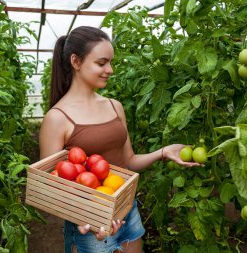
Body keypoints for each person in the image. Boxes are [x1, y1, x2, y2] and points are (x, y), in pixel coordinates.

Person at [39, 26, 202, 253]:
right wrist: (85, 219)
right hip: (91, 225)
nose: (110, 70)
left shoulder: (115, 106)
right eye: (101, 63)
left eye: (110, 62)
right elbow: (50, 189)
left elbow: (129, 161)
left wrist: (163, 152)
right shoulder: (57, 118)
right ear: (76, 62)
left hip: (128, 210)